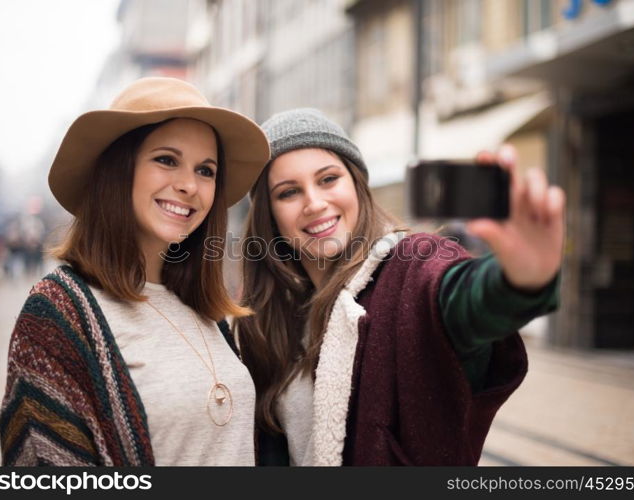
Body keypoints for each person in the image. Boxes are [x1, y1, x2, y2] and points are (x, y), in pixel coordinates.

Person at [233, 108, 565, 466]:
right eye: (288, 192)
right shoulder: (265, 322)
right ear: (270, 214)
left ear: (357, 184)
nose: (314, 203)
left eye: (328, 179)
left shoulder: (413, 266)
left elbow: (467, 302)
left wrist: (519, 281)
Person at [0, 77, 270, 466]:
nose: (189, 185)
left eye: (206, 170)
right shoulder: (57, 313)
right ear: (120, 169)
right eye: (166, 160)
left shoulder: (205, 309)